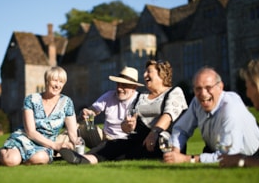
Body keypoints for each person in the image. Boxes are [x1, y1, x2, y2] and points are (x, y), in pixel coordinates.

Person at [59, 60, 188, 164]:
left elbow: (168, 115)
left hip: (163, 140)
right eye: (145, 72)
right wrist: (127, 126)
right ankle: (83, 159)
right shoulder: (141, 97)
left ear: (162, 74)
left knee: (126, 150)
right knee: (115, 145)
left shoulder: (174, 92)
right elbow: (128, 125)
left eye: (149, 72)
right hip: (139, 140)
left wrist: (154, 132)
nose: (144, 75)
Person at [163, 66, 259, 165]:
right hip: (216, 144)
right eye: (198, 88)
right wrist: (174, 152)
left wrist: (186, 159)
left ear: (220, 87)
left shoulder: (231, 110)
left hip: (249, 150)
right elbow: (181, 129)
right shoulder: (196, 102)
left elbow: (227, 157)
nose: (203, 93)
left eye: (208, 87)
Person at [0, 66, 78, 166]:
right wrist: (55, 145)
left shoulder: (67, 102)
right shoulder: (31, 99)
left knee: (40, 158)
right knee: (11, 160)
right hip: (26, 138)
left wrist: (77, 143)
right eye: (55, 80)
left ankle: (20, 158)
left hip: (46, 144)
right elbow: (30, 132)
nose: (58, 85)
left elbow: (72, 133)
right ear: (47, 81)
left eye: (61, 82)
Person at [79, 66, 144, 145]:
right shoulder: (109, 96)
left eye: (123, 85)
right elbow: (93, 111)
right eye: (118, 84)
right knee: (77, 127)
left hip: (128, 141)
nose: (119, 88)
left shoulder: (141, 100)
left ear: (134, 87)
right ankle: (62, 147)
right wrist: (87, 114)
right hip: (105, 139)